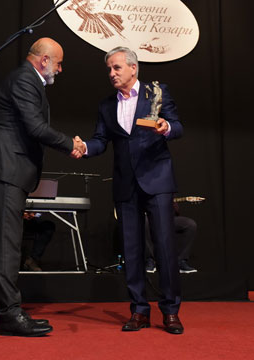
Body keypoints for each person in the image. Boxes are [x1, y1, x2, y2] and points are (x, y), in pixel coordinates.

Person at [0, 37, 85, 337]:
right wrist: (70, 144)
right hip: (4, 169)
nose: (60, 70)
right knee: (6, 247)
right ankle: (9, 316)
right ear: (44, 60)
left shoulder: (28, 80)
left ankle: (9, 311)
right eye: (59, 63)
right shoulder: (25, 79)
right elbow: (35, 127)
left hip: (9, 171)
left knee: (9, 245)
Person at [79, 46, 185, 334]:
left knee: (164, 247)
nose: (112, 74)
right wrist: (85, 147)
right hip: (125, 184)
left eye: (117, 68)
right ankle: (139, 310)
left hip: (157, 181)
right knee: (132, 250)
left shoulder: (156, 93)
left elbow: (178, 127)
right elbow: (101, 140)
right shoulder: (106, 105)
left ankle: (170, 311)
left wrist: (166, 127)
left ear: (133, 68)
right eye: (109, 70)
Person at [145, 202, 198, 274]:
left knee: (190, 224)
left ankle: (180, 261)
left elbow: (175, 209)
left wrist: (172, 206)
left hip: (166, 218)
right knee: (145, 221)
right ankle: (150, 260)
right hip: (149, 217)